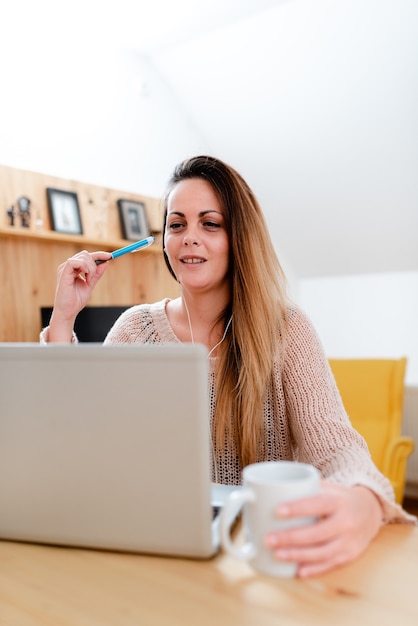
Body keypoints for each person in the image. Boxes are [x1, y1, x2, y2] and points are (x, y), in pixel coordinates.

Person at [41, 155, 416, 577]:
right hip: (156, 552)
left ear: (238, 236)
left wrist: (364, 502)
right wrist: (63, 319)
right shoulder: (134, 328)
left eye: (210, 224)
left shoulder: (286, 330)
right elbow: (76, 437)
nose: (189, 238)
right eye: (177, 224)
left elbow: (339, 449)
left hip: (256, 556)